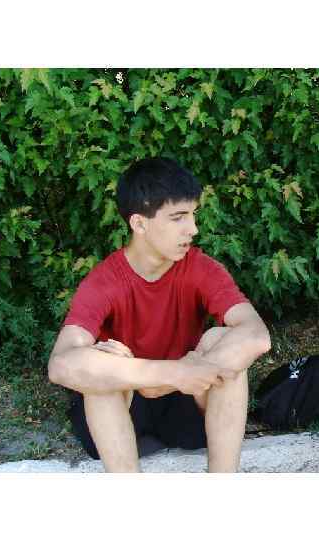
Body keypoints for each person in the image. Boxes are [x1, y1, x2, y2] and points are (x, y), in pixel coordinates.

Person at [48, 157, 271, 473]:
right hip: (123, 409)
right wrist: (165, 373)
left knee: (221, 339)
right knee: (104, 362)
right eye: (178, 218)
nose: (193, 229)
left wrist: (177, 376)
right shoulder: (105, 280)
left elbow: (256, 335)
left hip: (185, 400)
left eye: (193, 215)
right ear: (139, 224)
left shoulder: (201, 268)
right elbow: (60, 364)